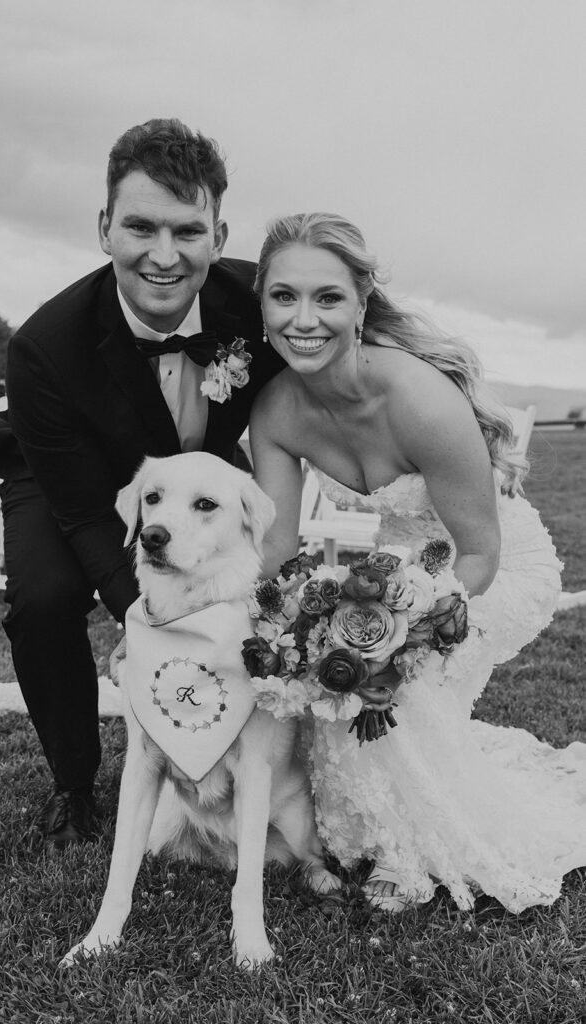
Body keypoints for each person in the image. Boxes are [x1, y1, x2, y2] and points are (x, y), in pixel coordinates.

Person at [0, 118, 283, 851]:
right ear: (104, 228)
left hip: (190, 478)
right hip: (64, 473)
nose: (164, 256)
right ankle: (74, 785)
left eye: (187, 231)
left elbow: (350, 318)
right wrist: (152, 618)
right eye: (140, 227)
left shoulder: (263, 299)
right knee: (44, 598)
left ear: (219, 235)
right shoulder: (44, 346)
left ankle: (227, 742)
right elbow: (86, 520)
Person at [249, 211, 586, 913]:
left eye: (327, 297)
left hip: (494, 569)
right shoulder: (276, 412)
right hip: (404, 568)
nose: (302, 318)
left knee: (393, 682)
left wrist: (394, 633)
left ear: (360, 305)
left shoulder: (417, 397)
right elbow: (275, 554)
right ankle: (364, 831)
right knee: (337, 668)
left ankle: (404, 853)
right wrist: (285, 625)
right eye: (283, 296)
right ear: (261, 304)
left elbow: (480, 553)